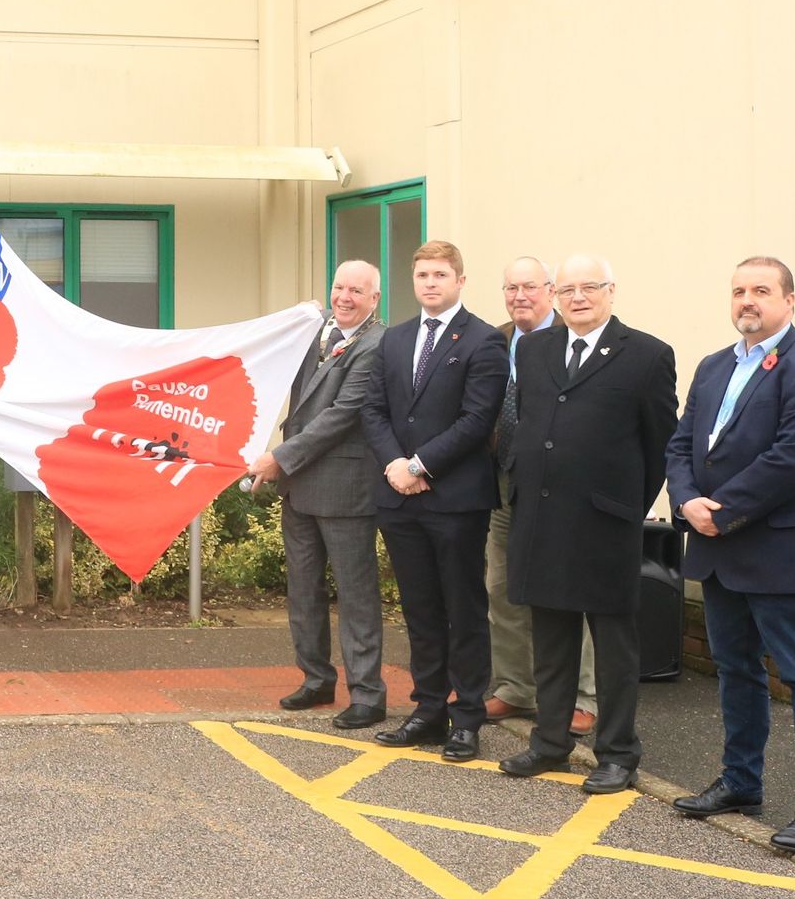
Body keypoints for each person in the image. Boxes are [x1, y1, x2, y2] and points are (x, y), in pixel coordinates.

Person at [667, 257, 795, 854]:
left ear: (790, 301)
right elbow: (681, 443)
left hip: (783, 552)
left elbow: (793, 460)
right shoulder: (716, 365)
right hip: (719, 551)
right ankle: (741, 782)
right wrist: (687, 499)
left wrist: (717, 511)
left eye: (762, 291)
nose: (748, 301)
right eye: (739, 290)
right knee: (736, 671)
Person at [497, 256, 676, 795]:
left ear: (611, 292)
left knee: (615, 648)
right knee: (551, 640)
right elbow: (529, 423)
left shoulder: (646, 355)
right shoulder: (534, 348)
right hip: (540, 518)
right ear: (557, 295)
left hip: (605, 524)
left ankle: (618, 754)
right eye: (569, 289)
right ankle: (550, 743)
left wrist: (623, 504)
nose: (578, 297)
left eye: (589, 288)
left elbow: (659, 446)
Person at [360, 240, 505, 762]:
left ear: (460, 281)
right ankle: (427, 708)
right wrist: (396, 467)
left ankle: (466, 716)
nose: (430, 283)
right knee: (420, 608)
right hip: (399, 498)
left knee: (462, 609)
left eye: (440, 274)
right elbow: (373, 410)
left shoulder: (485, 341)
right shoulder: (395, 340)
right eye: (422, 274)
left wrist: (420, 465)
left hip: (455, 500)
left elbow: (476, 420)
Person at [248, 259, 385, 729]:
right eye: (338, 287)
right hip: (299, 486)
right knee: (303, 591)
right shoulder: (316, 333)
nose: (344, 297)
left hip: (345, 488)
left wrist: (278, 458)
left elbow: (342, 415)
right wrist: (294, 320)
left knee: (355, 595)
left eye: (356, 291)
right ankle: (316, 679)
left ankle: (367, 694)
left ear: (374, 300)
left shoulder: (376, 343)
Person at [486, 256, 598, 735]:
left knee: (569, 590)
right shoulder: (497, 340)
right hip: (504, 483)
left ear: (549, 291)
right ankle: (515, 687)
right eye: (511, 289)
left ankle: (583, 696)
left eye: (529, 287)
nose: (519, 297)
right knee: (502, 586)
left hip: (560, 488)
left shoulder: (567, 341)